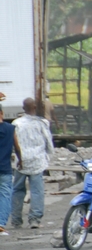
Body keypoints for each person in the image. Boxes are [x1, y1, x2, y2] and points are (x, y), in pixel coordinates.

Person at [10, 98, 54, 229]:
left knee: (17, 190)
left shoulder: (16, 123)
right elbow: (48, 142)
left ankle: (16, 220)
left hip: (21, 161)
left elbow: (14, 143)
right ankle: (34, 219)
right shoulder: (42, 123)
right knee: (37, 191)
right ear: (35, 107)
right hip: (37, 161)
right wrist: (48, 155)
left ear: (23, 109)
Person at [0, 108, 22, 236]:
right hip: (5, 168)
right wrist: (20, 160)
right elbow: (17, 147)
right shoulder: (10, 129)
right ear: (2, 113)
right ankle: (1, 224)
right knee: (5, 196)